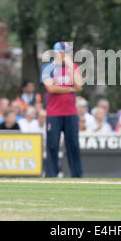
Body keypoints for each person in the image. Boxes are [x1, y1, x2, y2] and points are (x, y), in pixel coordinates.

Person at [41, 41, 83, 178]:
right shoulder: (48, 68)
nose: (68, 55)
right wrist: (70, 89)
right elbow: (51, 88)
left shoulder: (73, 67)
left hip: (71, 113)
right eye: (65, 52)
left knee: (73, 146)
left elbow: (79, 86)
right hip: (54, 113)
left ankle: (77, 176)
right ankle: (51, 175)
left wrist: (70, 65)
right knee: (52, 145)